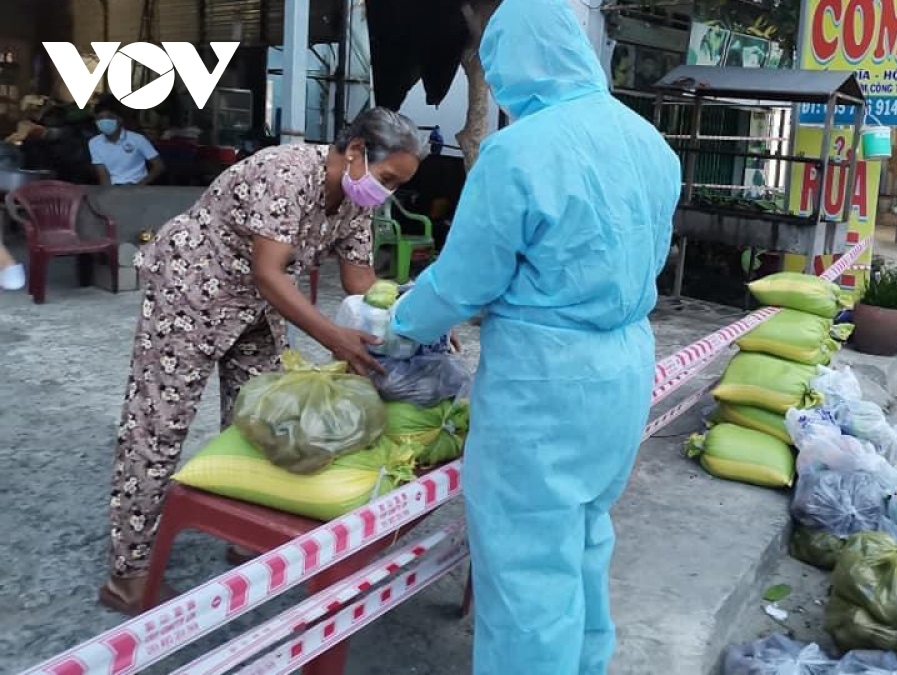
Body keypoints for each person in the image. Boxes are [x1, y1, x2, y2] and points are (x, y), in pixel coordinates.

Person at [388, 0, 681, 672]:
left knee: (526, 566)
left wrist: (401, 324)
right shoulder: (650, 144)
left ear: (515, 58)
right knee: (584, 536)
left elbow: (465, 281)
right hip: (624, 367)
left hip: (544, 382)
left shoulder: (517, 151)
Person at [100, 107, 423, 614]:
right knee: (157, 429)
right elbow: (271, 273)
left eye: (397, 185)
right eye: (387, 179)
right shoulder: (286, 172)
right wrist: (337, 340)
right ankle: (128, 573)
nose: (387, 193)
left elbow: (361, 282)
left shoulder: (358, 203)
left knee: (261, 419)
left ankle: (239, 532)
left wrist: (412, 323)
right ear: (357, 150)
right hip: (190, 293)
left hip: (252, 305)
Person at [88, 99, 165, 186]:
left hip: (138, 187)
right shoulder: (94, 143)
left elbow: (159, 166)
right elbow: (103, 175)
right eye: (99, 118)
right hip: (113, 189)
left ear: (120, 119)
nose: (104, 121)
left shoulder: (137, 139)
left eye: (109, 117)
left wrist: (139, 185)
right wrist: (108, 194)